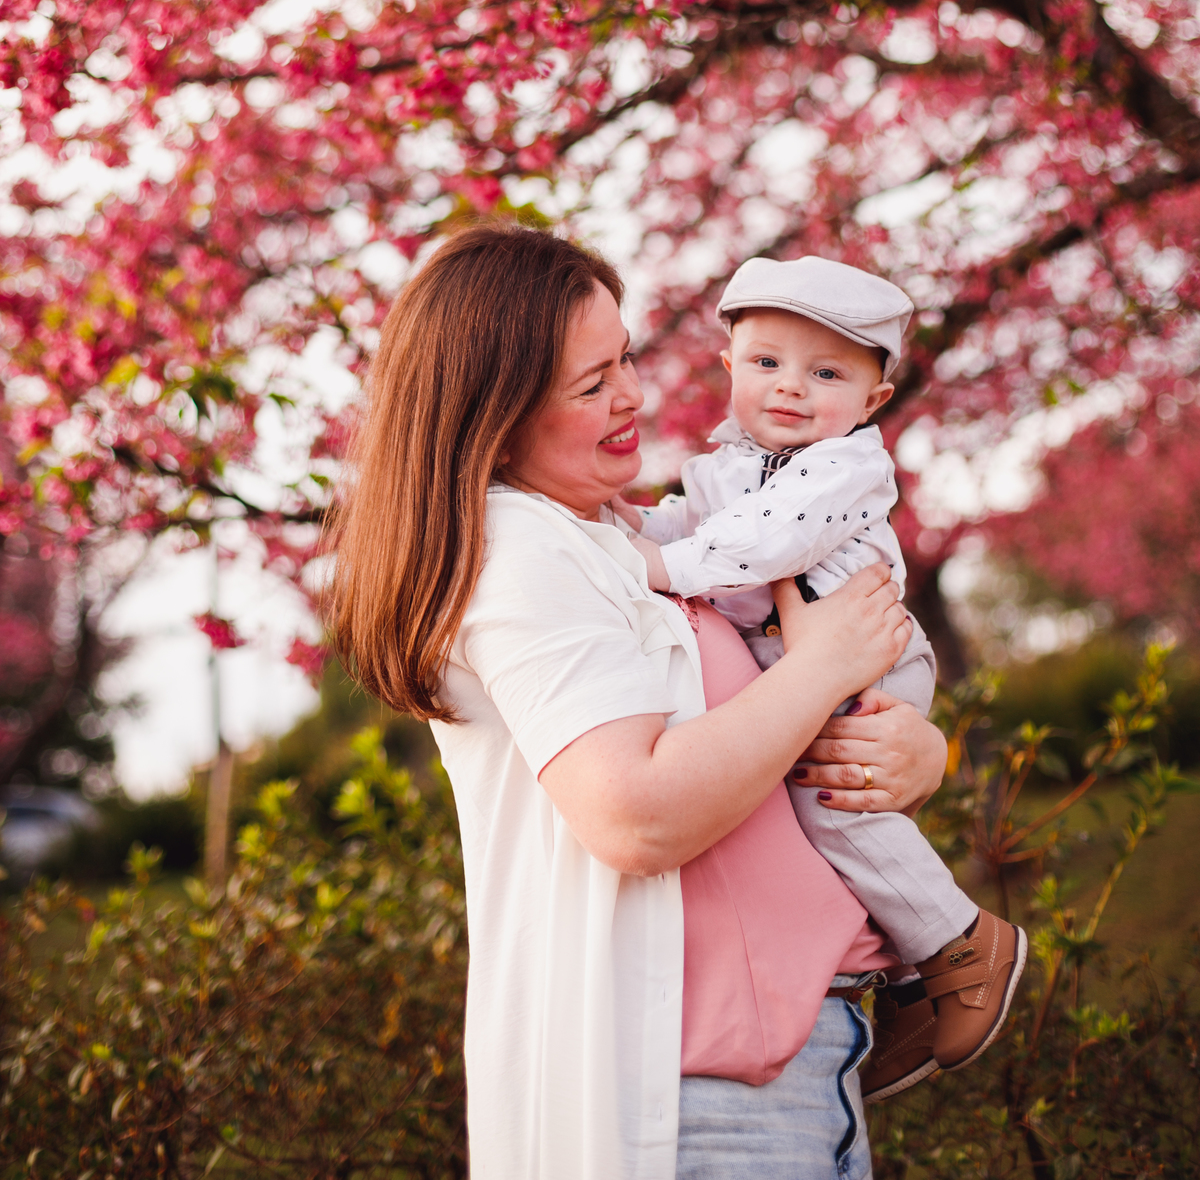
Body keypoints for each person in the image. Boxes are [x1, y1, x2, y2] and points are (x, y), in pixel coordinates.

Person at [329, 224, 951, 1179]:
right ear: (496, 413)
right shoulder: (523, 553)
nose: (631, 396)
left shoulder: (614, 539)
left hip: (777, 1066)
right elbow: (635, 813)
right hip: (702, 1096)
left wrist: (914, 750)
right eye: (591, 385)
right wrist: (821, 669)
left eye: (623, 359)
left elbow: (761, 737)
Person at [617, 256, 1026, 1102]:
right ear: (730, 366)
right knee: (808, 811)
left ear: (874, 400)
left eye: (827, 374)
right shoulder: (727, 464)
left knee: (834, 806)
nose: (791, 388)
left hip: (868, 657)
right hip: (807, 663)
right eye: (766, 363)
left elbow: (765, 541)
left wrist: (655, 564)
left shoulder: (845, 467)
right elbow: (688, 525)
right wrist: (632, 528)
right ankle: (909, 978)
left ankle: (959, 942)